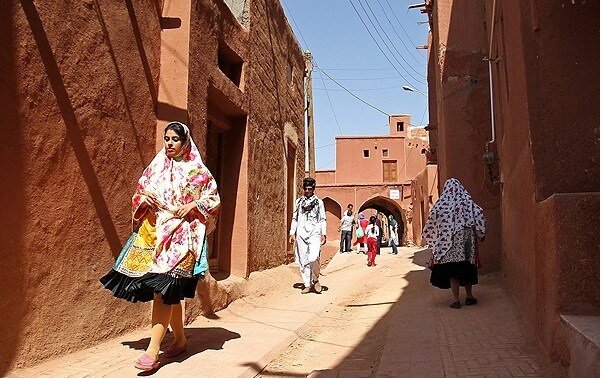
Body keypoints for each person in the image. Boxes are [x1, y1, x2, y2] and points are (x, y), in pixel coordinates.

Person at [100, 122, 220, 371]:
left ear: (185, 141)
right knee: (167, 290)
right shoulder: (156, 167)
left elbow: (213, 198)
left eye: (175, 139)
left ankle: (152, 351)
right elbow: (141, 191)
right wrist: (145, 201)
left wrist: (194, 205)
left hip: (183, 236)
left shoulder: (198, 171)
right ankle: (180, 339)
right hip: (157, 233)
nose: (169, 143)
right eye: (167, 138)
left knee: (165, 288)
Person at [422, 178, 486, 309]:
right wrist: (481, 233)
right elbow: (479, 214)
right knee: (467, 267)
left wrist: (435, 240)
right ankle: (469, 297)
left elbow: (430, 222)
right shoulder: (467, 202)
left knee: (453, 270)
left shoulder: (440, 205)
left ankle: (455, 299)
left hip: (448, 245)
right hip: (467, 242)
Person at [289, 177, 327, 294]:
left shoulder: (319, 203)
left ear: (313, 189)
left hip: (314, 232)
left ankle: (315, 280)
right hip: (301, 233)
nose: (307, 191)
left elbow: (322, 219)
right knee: (303, 259)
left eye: (309, 189)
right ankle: (307, 283)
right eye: (305, 189)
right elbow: (295, 218)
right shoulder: (299, 202)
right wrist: (292, 233)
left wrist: (323, 233)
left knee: (314, 257)